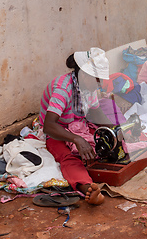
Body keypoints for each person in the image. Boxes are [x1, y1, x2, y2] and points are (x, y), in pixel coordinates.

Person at [41, 47, 109, 205]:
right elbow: (49, 126)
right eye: (97, 79)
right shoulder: (63, 88)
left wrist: (118, 128)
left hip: (78, 126)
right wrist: (77, 139)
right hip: (58, 131)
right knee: (68, 158)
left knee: (106, 139)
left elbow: (94, 112)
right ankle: (87, 188)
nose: (99, 84)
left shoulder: (87, 85)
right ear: (84, 75)